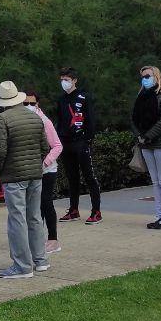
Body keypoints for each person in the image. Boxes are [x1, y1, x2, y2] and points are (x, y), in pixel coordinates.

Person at [0, 81, 51, 280]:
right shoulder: (34, 117)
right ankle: (40, 260)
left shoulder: (2, 119)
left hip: (14, 176)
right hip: (35, 174)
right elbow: (44, 147)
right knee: (34, 217)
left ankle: (22, 266)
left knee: (17, 220)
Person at [132, 64, 161, 230]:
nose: (145, 79)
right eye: (143, 76)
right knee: (156, 182)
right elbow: (134, 118)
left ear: (156, 76)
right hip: (147, 144)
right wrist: (139, 136)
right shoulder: (142, 95)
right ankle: (160, 216)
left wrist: (147, 136)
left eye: (148, 76)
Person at [55, 67, 102, 224]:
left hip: (81, 141)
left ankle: (96, 211)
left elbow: (91, 120)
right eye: (62, 79)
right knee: (71, 177)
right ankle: (73, 210)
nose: (64, 82)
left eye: (67, 79)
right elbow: (60, 120)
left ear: (74, 80)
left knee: (89, 177)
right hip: (65, 142)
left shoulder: (83, 97)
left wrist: (88, 139)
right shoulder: (61, 99)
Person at [25, 91, 63, 255]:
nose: (29, 107)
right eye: (25, 104)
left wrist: (45, 162)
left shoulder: (44, 121)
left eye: (32, 104)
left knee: (46, 202)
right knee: (33, 205)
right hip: (31, 170)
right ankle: (36, 238)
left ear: (38, 105)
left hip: (47, 170)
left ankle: (53, 240)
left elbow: (57, 146)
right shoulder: (24, 121)